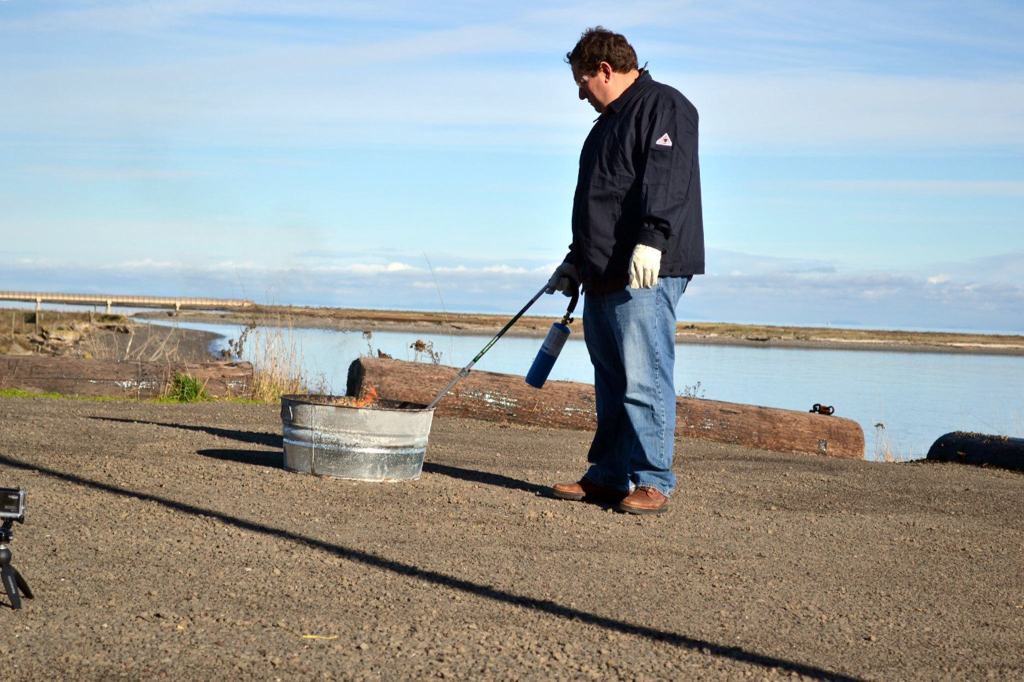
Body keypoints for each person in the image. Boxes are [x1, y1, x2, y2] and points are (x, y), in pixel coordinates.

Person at [546, 27, 704, 515]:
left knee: (645, 375)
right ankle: (611, 475)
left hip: (647, 269)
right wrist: (575, 261)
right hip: (603, 270)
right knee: (611, 378)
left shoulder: (665, 106)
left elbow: (667, 178)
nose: (579, 93)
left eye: (582, 82)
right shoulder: (603, 127)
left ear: (606, 70)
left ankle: (653, 478)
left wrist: (653, 239)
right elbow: (597, 201)